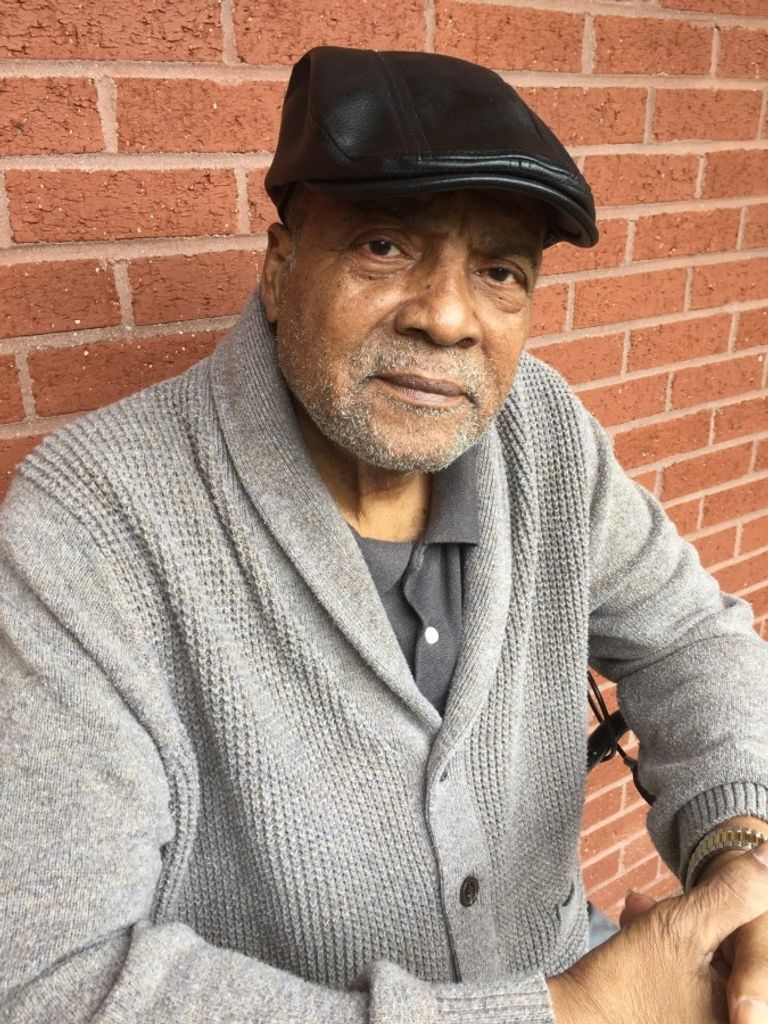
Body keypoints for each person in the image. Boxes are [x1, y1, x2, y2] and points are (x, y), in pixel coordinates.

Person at [1, 44, 768, 1024]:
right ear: (280, 267)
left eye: (500, 270)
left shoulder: (542, 432)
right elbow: (50, 980)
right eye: (384, 246)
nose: (447, 317)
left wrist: (740, 853)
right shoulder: (94, 522)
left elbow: (692, 636)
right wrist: (570, 1012)